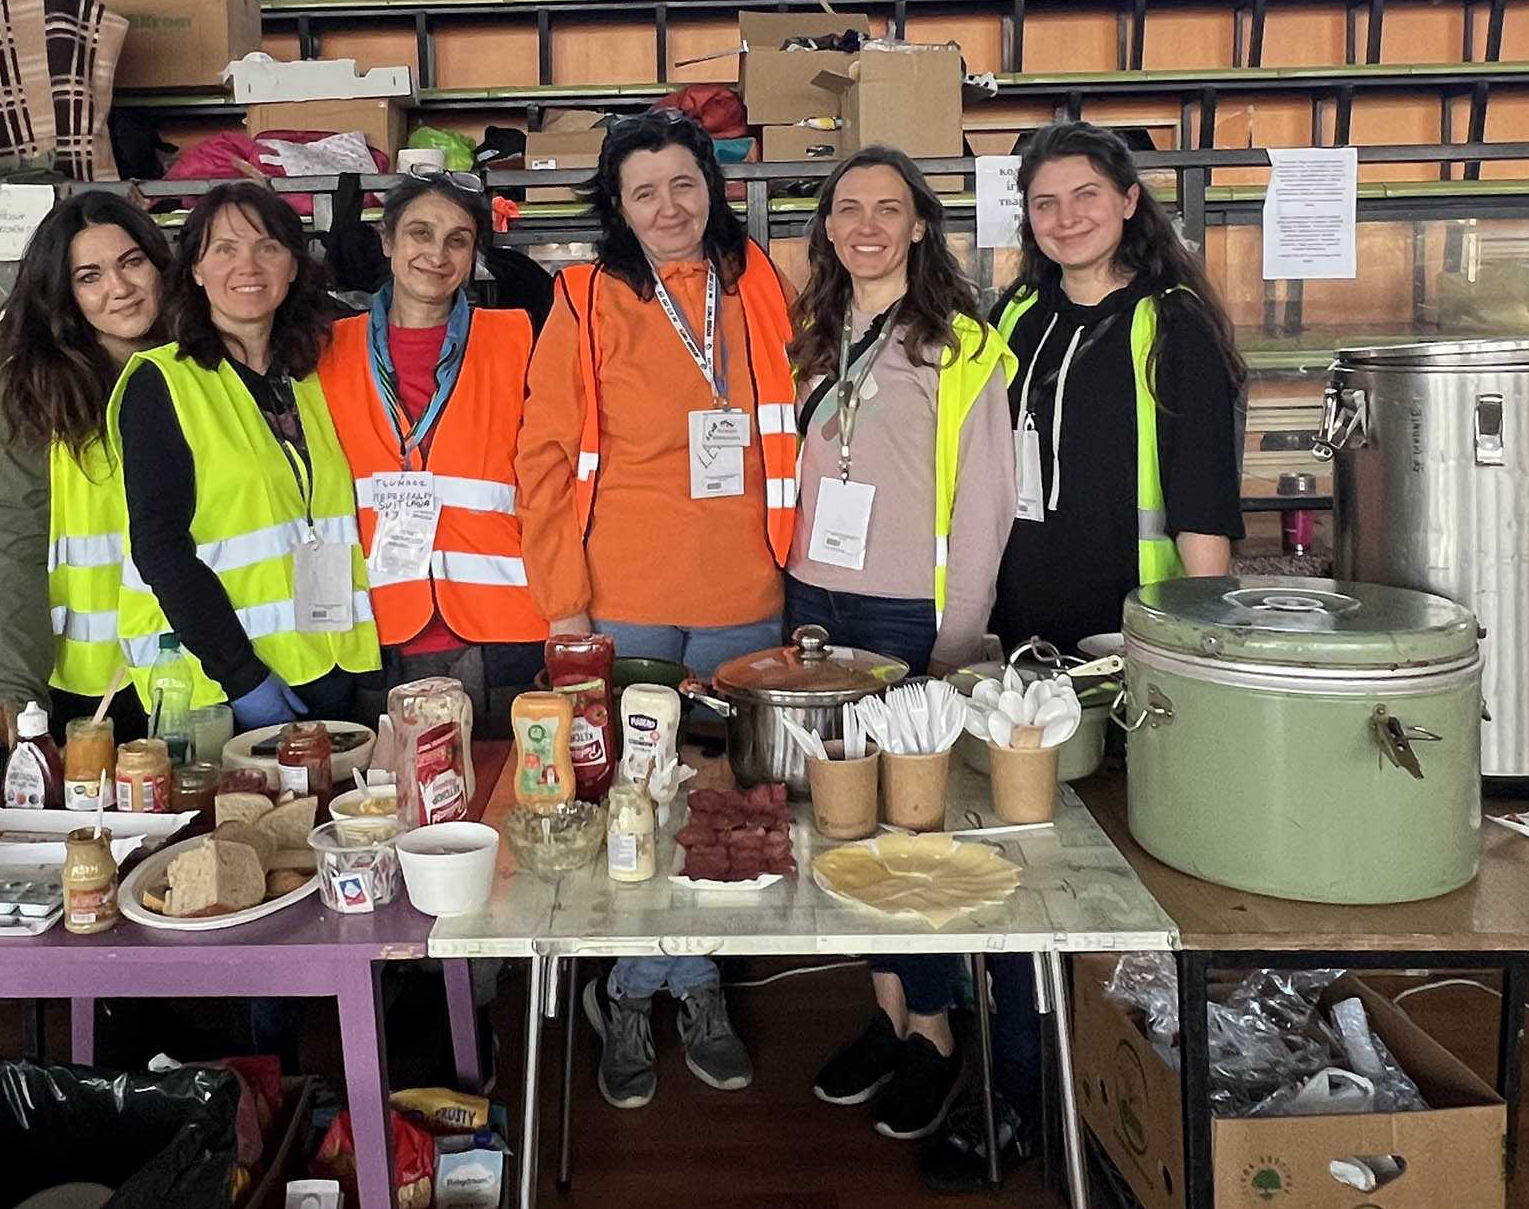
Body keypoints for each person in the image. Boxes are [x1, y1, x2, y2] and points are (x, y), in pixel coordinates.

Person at [921, 119, 1246, 1190]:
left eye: (1083, 197)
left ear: (1127, 199)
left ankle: (1123, 1094)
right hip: (1023, 634)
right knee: (1021, 869)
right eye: (1043, 203)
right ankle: (1019, 1085)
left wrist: (1195, 647)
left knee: (1127, 881)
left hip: (1130, 637)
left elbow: (1203, 498)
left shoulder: (1171, 324)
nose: (1064, 219)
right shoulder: (1011, 312)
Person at [518, 107, 799, 1110]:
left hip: (744, 593)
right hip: (623, 600)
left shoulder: (757, 280)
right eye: (644, 192)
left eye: (683, 183)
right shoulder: (584, 296)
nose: (669, 206)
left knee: (718, 805)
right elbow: (543, 455)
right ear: (619, 208)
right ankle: (651, 987)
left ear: (710, 187)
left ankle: (663, 984)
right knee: (631, 803)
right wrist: (562, 603)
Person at [784, 147, 1018, 1145]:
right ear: (827, 228)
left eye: (888, 208)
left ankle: (933, 1032)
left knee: (910, 834)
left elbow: (987, 506)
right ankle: (887, 1013)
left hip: (902, 619)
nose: (866, 225)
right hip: (809, 603)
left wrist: (954, 637)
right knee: (842, 825)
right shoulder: (809, 331)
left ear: (922, 225)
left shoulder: (965, 346)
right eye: (847, 209)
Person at [110, 182, 379, 728]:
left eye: (268, 247)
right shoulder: (163, 383)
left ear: (294, 266)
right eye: (224, 249)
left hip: (326, 664)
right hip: (220, 688)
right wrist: (242, 676)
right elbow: (160, 550)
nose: (248, 265)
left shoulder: (309, 377)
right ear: (195, 269)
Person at [317, 168, 544, 712]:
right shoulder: (324, 351)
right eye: (420, 233)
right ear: (389, 241)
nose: (437, 254)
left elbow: (551, 481)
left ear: (473, 257)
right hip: (375, 628)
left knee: (503, 792)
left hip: (502, 628)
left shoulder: (519, 339)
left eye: (457, 240)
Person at [0, 191, 172, 740]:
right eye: (90, 276)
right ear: (61, 294)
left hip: (207, 672)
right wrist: (16, 696)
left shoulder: (204, 365)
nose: (119, 288)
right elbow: (14, 552)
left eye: (131, 262)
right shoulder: (23, 394)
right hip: (91, 694)